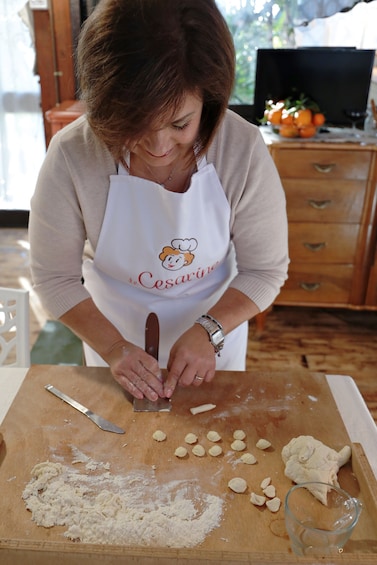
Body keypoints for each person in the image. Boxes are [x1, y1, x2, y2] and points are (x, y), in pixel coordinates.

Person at [29, 0, 289, 402]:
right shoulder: (72, 154)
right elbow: (54, 278)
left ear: (211, 97)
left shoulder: (242, 149)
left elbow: (265, 270)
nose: (158, 146)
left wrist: (210, 329)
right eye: (135, 125)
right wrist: (114, 347)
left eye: (180, 123)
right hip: (112, 336)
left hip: (214, 336)